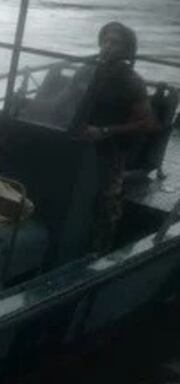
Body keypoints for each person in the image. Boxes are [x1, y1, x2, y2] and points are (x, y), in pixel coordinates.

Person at [80, 22, 159, 252]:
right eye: (105, 40)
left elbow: (147, 123)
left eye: (115, 43)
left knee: (107, 198)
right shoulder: (88, 71)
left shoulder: (132, 81)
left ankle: (102, 248)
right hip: (81, 141)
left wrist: (105, 131)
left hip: (111, 147)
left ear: (126, 49)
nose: (108, 46)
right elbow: (65, 100)